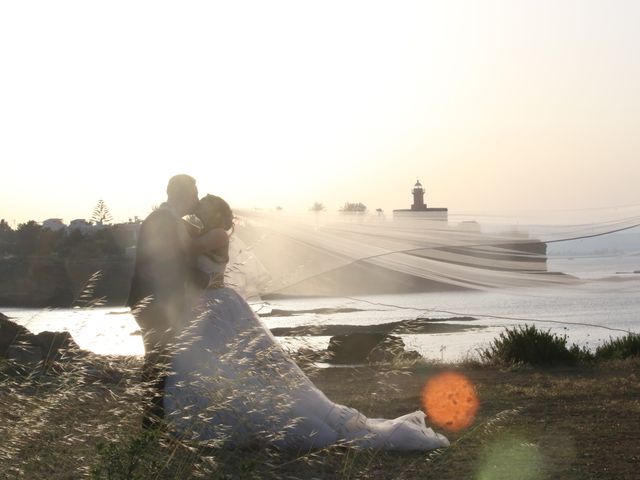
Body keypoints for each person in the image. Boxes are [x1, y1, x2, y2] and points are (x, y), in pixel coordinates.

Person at [163, 195, 450, 450]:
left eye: (202, 206)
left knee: (240, 364)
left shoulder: (217, 235)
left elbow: (187, 248)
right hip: (204, 306)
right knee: (215, 364)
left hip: (219, 303)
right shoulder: (209, 231)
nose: (197, 209)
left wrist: (174, 217)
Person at [127, 174, 205, 428]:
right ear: (182, 194)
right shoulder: (163, 220)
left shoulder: (169, 219)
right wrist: (203, 279)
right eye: (194, 194)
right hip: (155, 302)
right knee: (157, 360)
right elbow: (167, 263)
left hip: (157, 301)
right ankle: (153, 423)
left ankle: (157, 421)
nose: (196, 199)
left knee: (161, 360)